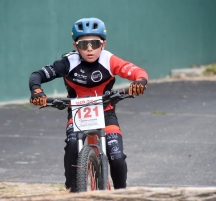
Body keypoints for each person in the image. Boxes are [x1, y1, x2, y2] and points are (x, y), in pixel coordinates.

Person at [29, 17, 148, 192]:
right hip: (77, 113)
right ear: (76, 46)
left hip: (105, 112)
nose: (90, 48)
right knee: (71, 147)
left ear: (103, 44)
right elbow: (37, 75)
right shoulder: (68, 62)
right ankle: (72, 190)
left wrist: (140, 82)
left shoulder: (109, 60)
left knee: (116, 157)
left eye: (95, 43)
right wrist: (37, 91)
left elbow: (138, 72)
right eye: (84, 45)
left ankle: (122, 193)